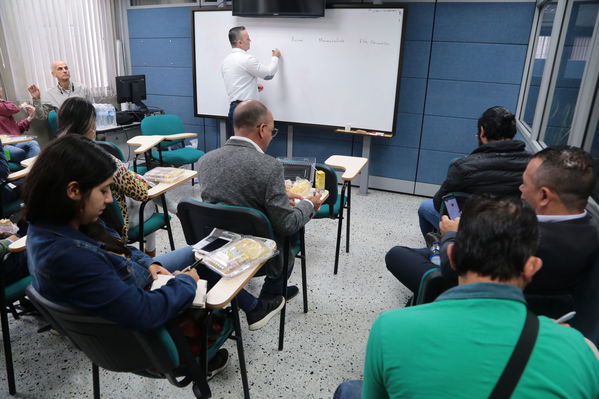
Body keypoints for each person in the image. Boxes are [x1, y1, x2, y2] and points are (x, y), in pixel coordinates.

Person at [337, 197, 599, 399]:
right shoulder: (581, 353)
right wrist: (559, 339)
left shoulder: (390, 327)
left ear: (451, 258)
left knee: (349, 389)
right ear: (532, 267)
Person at [439, 146, 599, 342]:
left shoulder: (515, 238)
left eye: (524, 184)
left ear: (544, 196)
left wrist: (451, 236)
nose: (520, 190)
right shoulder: (592, 232)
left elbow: (452, 269)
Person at [197, 100, 323, 301]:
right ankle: (271, 295)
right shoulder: (270, 167)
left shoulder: (204, 161)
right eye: (272, 132)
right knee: (294, 231)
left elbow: (232, 197)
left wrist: (278, 195)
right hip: (259, 252)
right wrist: (310, 204)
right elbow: (287, 224)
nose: (271, 137)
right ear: (263, 129)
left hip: (218, 248)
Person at [56, 97, 158, 256]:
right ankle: (152, 252)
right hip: (109, 229)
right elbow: (140, 192)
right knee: (153, 198)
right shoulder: (101, 159)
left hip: (75, 229)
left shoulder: (54, 156)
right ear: (90, 126)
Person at [417, 106, 530, 239]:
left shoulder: (463, 166)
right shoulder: (534, 163)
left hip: (474, 231)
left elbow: (439, 203)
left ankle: (438, 250)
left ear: (482, 131)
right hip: (515, 230)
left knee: (425, 207)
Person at [222, 26, 281, 136]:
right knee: (249, 148)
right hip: (247, 112)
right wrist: (275, 57)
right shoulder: (246, 59)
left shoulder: (226, 61)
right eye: (248, 38)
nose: (250, 41)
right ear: (240, 42)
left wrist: (253, 86)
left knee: (235, 148)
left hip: (234, 110)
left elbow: (237, 81)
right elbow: (269, 74)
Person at [27, 61, 93, 120]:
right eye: (60, 69)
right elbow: (41, 116)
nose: (65, 71)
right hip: (66, 129)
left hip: (84, 127)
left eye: (66, 68)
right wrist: (36, 99)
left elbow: (93, 110)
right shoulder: (50, 94)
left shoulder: (83, 88)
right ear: (54, 74)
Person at [0, 87, 40, 162]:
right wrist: (21, 106)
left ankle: (35, 170)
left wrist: (29, 118)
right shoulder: (4, 106)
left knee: (33, 144)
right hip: (2, 145)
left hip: (14, 141)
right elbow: (13, 108)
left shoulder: (4, 108)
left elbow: (16, 129)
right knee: (19, 153)